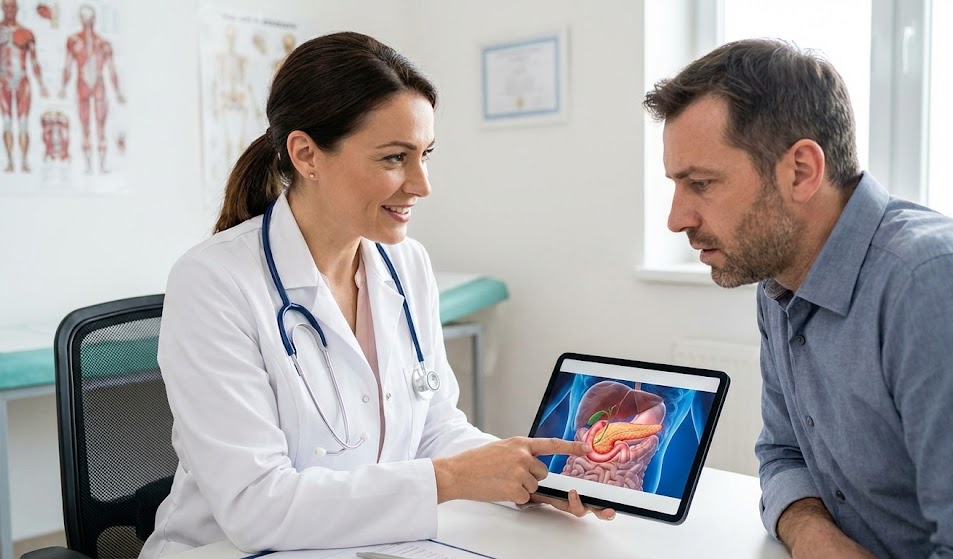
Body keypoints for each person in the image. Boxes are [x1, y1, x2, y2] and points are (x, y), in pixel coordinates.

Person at [141, 32, 612, 559]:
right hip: (229, 551)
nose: (422, 184)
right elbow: (257, 507)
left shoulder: (406, 264)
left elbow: (434, 426)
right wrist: (450, 478)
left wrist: (524, 476)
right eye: (394, 158)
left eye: (426, 154)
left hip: (370, 544)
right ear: (306, 155)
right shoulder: (214, 282)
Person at [643, 38, 953, 558]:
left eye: (702, 183)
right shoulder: (781, 277)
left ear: (801, 170)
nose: (676, 219)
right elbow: (781, 456)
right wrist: (814, 536)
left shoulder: (937, 285)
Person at [59, 4, 125, 174]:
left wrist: (117, 92)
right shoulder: (74, 41)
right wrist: (63, 87)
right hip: (82, 84)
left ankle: (102, 166)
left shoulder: (103, 44)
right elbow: (67, 66)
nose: (87, 23)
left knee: (101, 126)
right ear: (81, 19)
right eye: (84, 19)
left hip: (99, 86)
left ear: (94, 20)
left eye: (90, 19)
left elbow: (112, 69)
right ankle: (88, 166)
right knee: (85, 126)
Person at [0, 0, 48, 173]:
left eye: (12, 6)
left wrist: (41, 84)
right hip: (2, 81)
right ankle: (10, 162)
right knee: (6, 122)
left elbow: (34, 60)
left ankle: (25, 161)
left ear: (17, 9)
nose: (9, 10)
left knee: (23, 123)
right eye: (6, 6)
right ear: (2, 8)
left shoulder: (26, 33)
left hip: (23, 81)